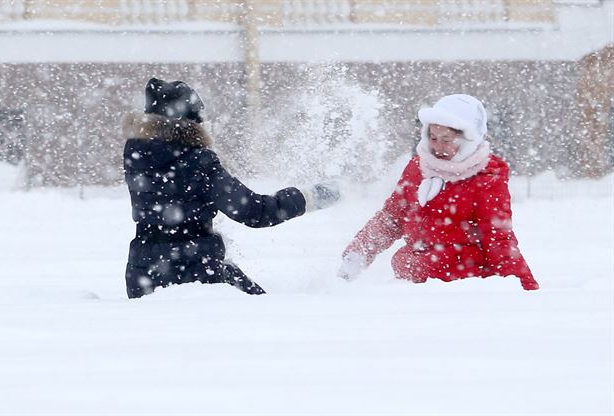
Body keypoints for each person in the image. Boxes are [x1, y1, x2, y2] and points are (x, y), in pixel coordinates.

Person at [122, 78, 340, 298]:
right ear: (192, 121)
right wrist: (309, 197)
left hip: (143, 277)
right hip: (193, 276)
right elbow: (256, 212)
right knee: (267, 312)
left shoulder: (137, 155)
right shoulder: (197, 161)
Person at [338, 94, 539, 290]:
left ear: (468, 141)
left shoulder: (485, 178)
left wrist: (522, 284)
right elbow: (392, 218)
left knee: (419, 264)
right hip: (416, 275)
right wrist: (358, 254)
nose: (437, 146)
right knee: (403, 261)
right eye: (433, 137)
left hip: (464, 282)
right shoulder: (418, 167)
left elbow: (497, 237)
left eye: (447, 139)